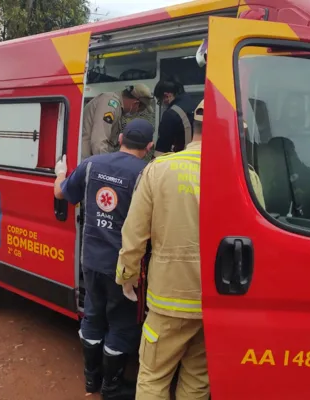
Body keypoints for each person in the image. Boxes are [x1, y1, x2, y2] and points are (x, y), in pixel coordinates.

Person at [54, 119, 155, 400]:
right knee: (122, 323)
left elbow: (61, 193)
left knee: (93, 316)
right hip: (124, 268)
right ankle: (111, 387)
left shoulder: (91, 164)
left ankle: (91, 381)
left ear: (120, 137)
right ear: (149, 147)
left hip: (91, 260)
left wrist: (60, 174)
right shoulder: (148, 172)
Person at [115, 101, 207, 400]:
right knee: (196, 381)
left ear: (192, 130)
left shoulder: (160, 169)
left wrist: (126, 276)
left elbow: (135, 233)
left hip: (168, 298)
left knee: (153, 378)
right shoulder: (244, 175)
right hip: (214, 302)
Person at [81, 84, 154, 159]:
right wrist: (105, 166)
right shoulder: (110, 104)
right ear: (135, 103)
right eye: (139, 110)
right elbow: (99, 142)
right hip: (87, 160)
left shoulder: (117, 107)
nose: (137, 112)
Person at [153, 77, 197, 156]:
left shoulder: (171, 114)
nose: (163, 104)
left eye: (160, 100)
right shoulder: (196, 106)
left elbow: (162, 149)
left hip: (181, 162)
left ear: (166, 96)